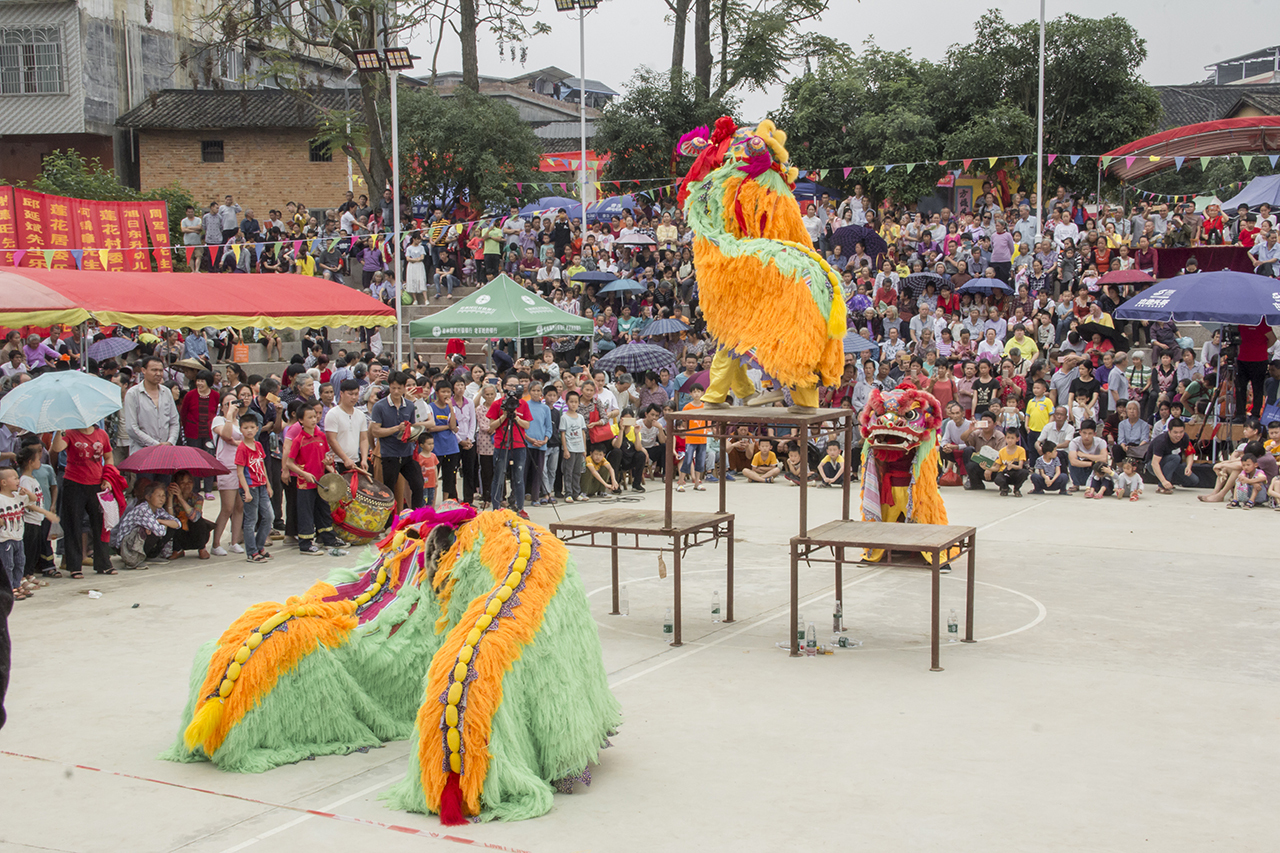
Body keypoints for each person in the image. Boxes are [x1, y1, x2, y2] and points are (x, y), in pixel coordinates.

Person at [49, 423, 114, 577]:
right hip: (74, 483)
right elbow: (57, 448)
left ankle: (103, 563)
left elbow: (108, 456)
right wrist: (59, 429)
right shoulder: (70, 432)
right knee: (73, 525)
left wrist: (108, 477)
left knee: (100, 525)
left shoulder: (101, 434)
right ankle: (74, 566)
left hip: (96, 483)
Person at [286, 402, 341, 556]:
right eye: (309, 417)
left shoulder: (321, 436)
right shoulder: (298, 440)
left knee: (323, 510)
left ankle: (328, 539)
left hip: (321, 482)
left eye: (315, 416)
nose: (314, 419)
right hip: (306, 483)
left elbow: (323, 459)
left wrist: (329, 467)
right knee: (306, 513)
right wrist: (304, 474)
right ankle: (305, 544)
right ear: (301, 421)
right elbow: (289, 463)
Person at [371, 371, 425, 511]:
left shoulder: (409, 405)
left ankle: (416, 515)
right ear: (389, 386)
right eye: (393, 388)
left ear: (404, 387)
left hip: (407, 453)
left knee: (418, 484)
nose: (396, 391)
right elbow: (375, 431)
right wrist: (396, 429)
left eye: (399, 388)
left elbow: (412, 426)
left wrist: (413, 435)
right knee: (389, 489)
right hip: (389, 454)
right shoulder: (380, 406)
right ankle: (389, 522)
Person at [488, 373, 533, 518]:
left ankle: (520, 508)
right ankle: (496, 507)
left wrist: (516, 417)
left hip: (519, 445)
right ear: (504, 386)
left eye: (516, 385)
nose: (513, 388)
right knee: (499, 476)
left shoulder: (523, 404)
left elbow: (527, 424)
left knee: (518, 477)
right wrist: (505, 415)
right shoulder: (497, 404)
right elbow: (491, 426)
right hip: (501, 445)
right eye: (510, 385)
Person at [235, 413, 274, 563]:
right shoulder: (242, 448)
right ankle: (252, 552)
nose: (249, 430)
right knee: (251, 519)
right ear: (241, 430)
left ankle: (259, 546)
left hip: (261, 486)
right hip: (250, 487)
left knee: (268, 516)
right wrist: (245, 491)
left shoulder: (258, 445)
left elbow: (262, 465)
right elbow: (240, 472)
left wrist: (268, 485)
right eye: (246, 428)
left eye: (252, 427)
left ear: (257, 428)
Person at [114, 482, 182, 570]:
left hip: (136, 543)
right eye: (158, 496)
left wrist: (160, 521)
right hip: (126, 547)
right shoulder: (143, 509)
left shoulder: (158, 510)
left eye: (163, 496)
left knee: (167, 526)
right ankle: (133, 560)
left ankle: (150, 555)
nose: (162, 499)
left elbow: (177, 524)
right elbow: (160, 531)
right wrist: (160, 524)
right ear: (148, 497)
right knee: (149, 529)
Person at [125, 356, 181, 460]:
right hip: (143, 454)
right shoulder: (133, 394)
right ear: (143, 370)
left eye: (160, 370)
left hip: (165, 453)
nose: (158, 374)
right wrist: (155, 444)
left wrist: (170, 442)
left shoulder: (166, 392)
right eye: (154, 370)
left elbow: (174, 421)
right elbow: (132, 428)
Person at [210, 392, 244, 556]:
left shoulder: (242, 422)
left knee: (239, 506)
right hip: (226, 467)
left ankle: (234, 541)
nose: (231, 406)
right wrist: (229, 415)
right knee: (227, 507)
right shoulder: (219, 420)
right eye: (227, 404)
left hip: (241, 468)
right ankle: (216, 543)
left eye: (234, 403)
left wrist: (237, 442)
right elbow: (226, 435)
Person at [166, 472, 214, 559]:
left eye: (189, 482)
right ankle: (178, 550)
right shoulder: (172, 499)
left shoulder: (197, 498)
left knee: (199, 521)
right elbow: (169, 517)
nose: (187, 485)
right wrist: (169, 497)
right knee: (173, 522)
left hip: (195, 533)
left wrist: (181, 499)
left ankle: (202, 549)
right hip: (180, 534)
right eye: (182, 483)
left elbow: (195, 517)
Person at [424, 380, 459, 501]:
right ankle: (432, 502)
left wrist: (450, 408)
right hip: (436, 447)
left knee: (449, 477)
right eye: (443, 391)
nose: (446, 394)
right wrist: (446, 427)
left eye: (449, 392)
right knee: (433, 477)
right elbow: (430, 427)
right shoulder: (430, 407)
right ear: (437, 393)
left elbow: (454, 427)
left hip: (451, 447)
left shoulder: (451, 408)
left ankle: (446, 501)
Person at [1148, 417, 1198, 494]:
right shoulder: (1161, 441)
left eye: (1181, 432)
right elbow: (1154, 463)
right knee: (1175, 458)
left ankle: (1170, 481)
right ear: (1169, 431)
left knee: (1194, 480)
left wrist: (1188, 466)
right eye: (1175, 432)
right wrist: (1163, 481)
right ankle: (1162, 486)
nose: (1178, 435)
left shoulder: (1184, 437)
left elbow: (1189, 453)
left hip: (1173, 465)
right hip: (1154, 465)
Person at [1067, 419, 1111, 495]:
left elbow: (1104, 459)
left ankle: (1094, 485)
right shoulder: (1074, 442)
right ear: (1080, 432)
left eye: (1090, 433)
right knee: (1072, 459)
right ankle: (1076, 484)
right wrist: (1092, 463)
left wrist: (1085, 455)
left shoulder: (1101, 442)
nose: (1086, 436)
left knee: (1102, 465)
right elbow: (1073, 461)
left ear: (1095, 434)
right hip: (1082, 467)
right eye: (1084, 433)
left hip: (1094, 471)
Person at [678, 384, 708, 492]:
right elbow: (684, 421)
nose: (696, 394)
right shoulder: (687, 407)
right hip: (691, 438)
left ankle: (697, 482)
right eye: (694, 392)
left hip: (702, 438)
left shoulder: (705, 406)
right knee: (687, 460)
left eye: (699, 391)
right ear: (690, 394)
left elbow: (708, 422)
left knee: (700, 461)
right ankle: (681, 482)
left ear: (702, 393)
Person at [560, 390, 587, 502]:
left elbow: (583, 433)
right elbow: (563, 434)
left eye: (576, 402)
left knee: (577, 472)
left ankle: (577, 492)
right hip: (570, 449)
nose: (574, 404)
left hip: (579, 448)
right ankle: (568, 493)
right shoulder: (564, 417)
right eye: (571, 402)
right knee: (568, 472)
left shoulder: (580, 417)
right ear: (567, 402)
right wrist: (565, 449)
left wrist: (584, 448)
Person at [993, 429, 1029, 497]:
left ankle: (1017, 489)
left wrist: (1012, 466)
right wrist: (986, 467)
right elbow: (997, 467)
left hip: (1015, 472)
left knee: (1024, 472)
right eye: (1008, 437)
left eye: (1012, 438)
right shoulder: (1001, 451)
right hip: (1005, 472)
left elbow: (1020, 466)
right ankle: (1005, 488)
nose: (1010, 440)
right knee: (998, 479)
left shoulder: (1021, 450)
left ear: (1017, 439)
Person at [417, 433, 439, 506]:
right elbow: (418, 471)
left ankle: (430, 513)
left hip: (432, 484)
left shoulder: (433, 456)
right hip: (424, 485)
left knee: (431, 500)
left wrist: (436, 480)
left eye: (432, 443)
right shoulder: (420, 457)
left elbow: (435, 468)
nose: (431, 446)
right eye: (429, 444)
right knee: (423, 500)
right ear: (422, 445)